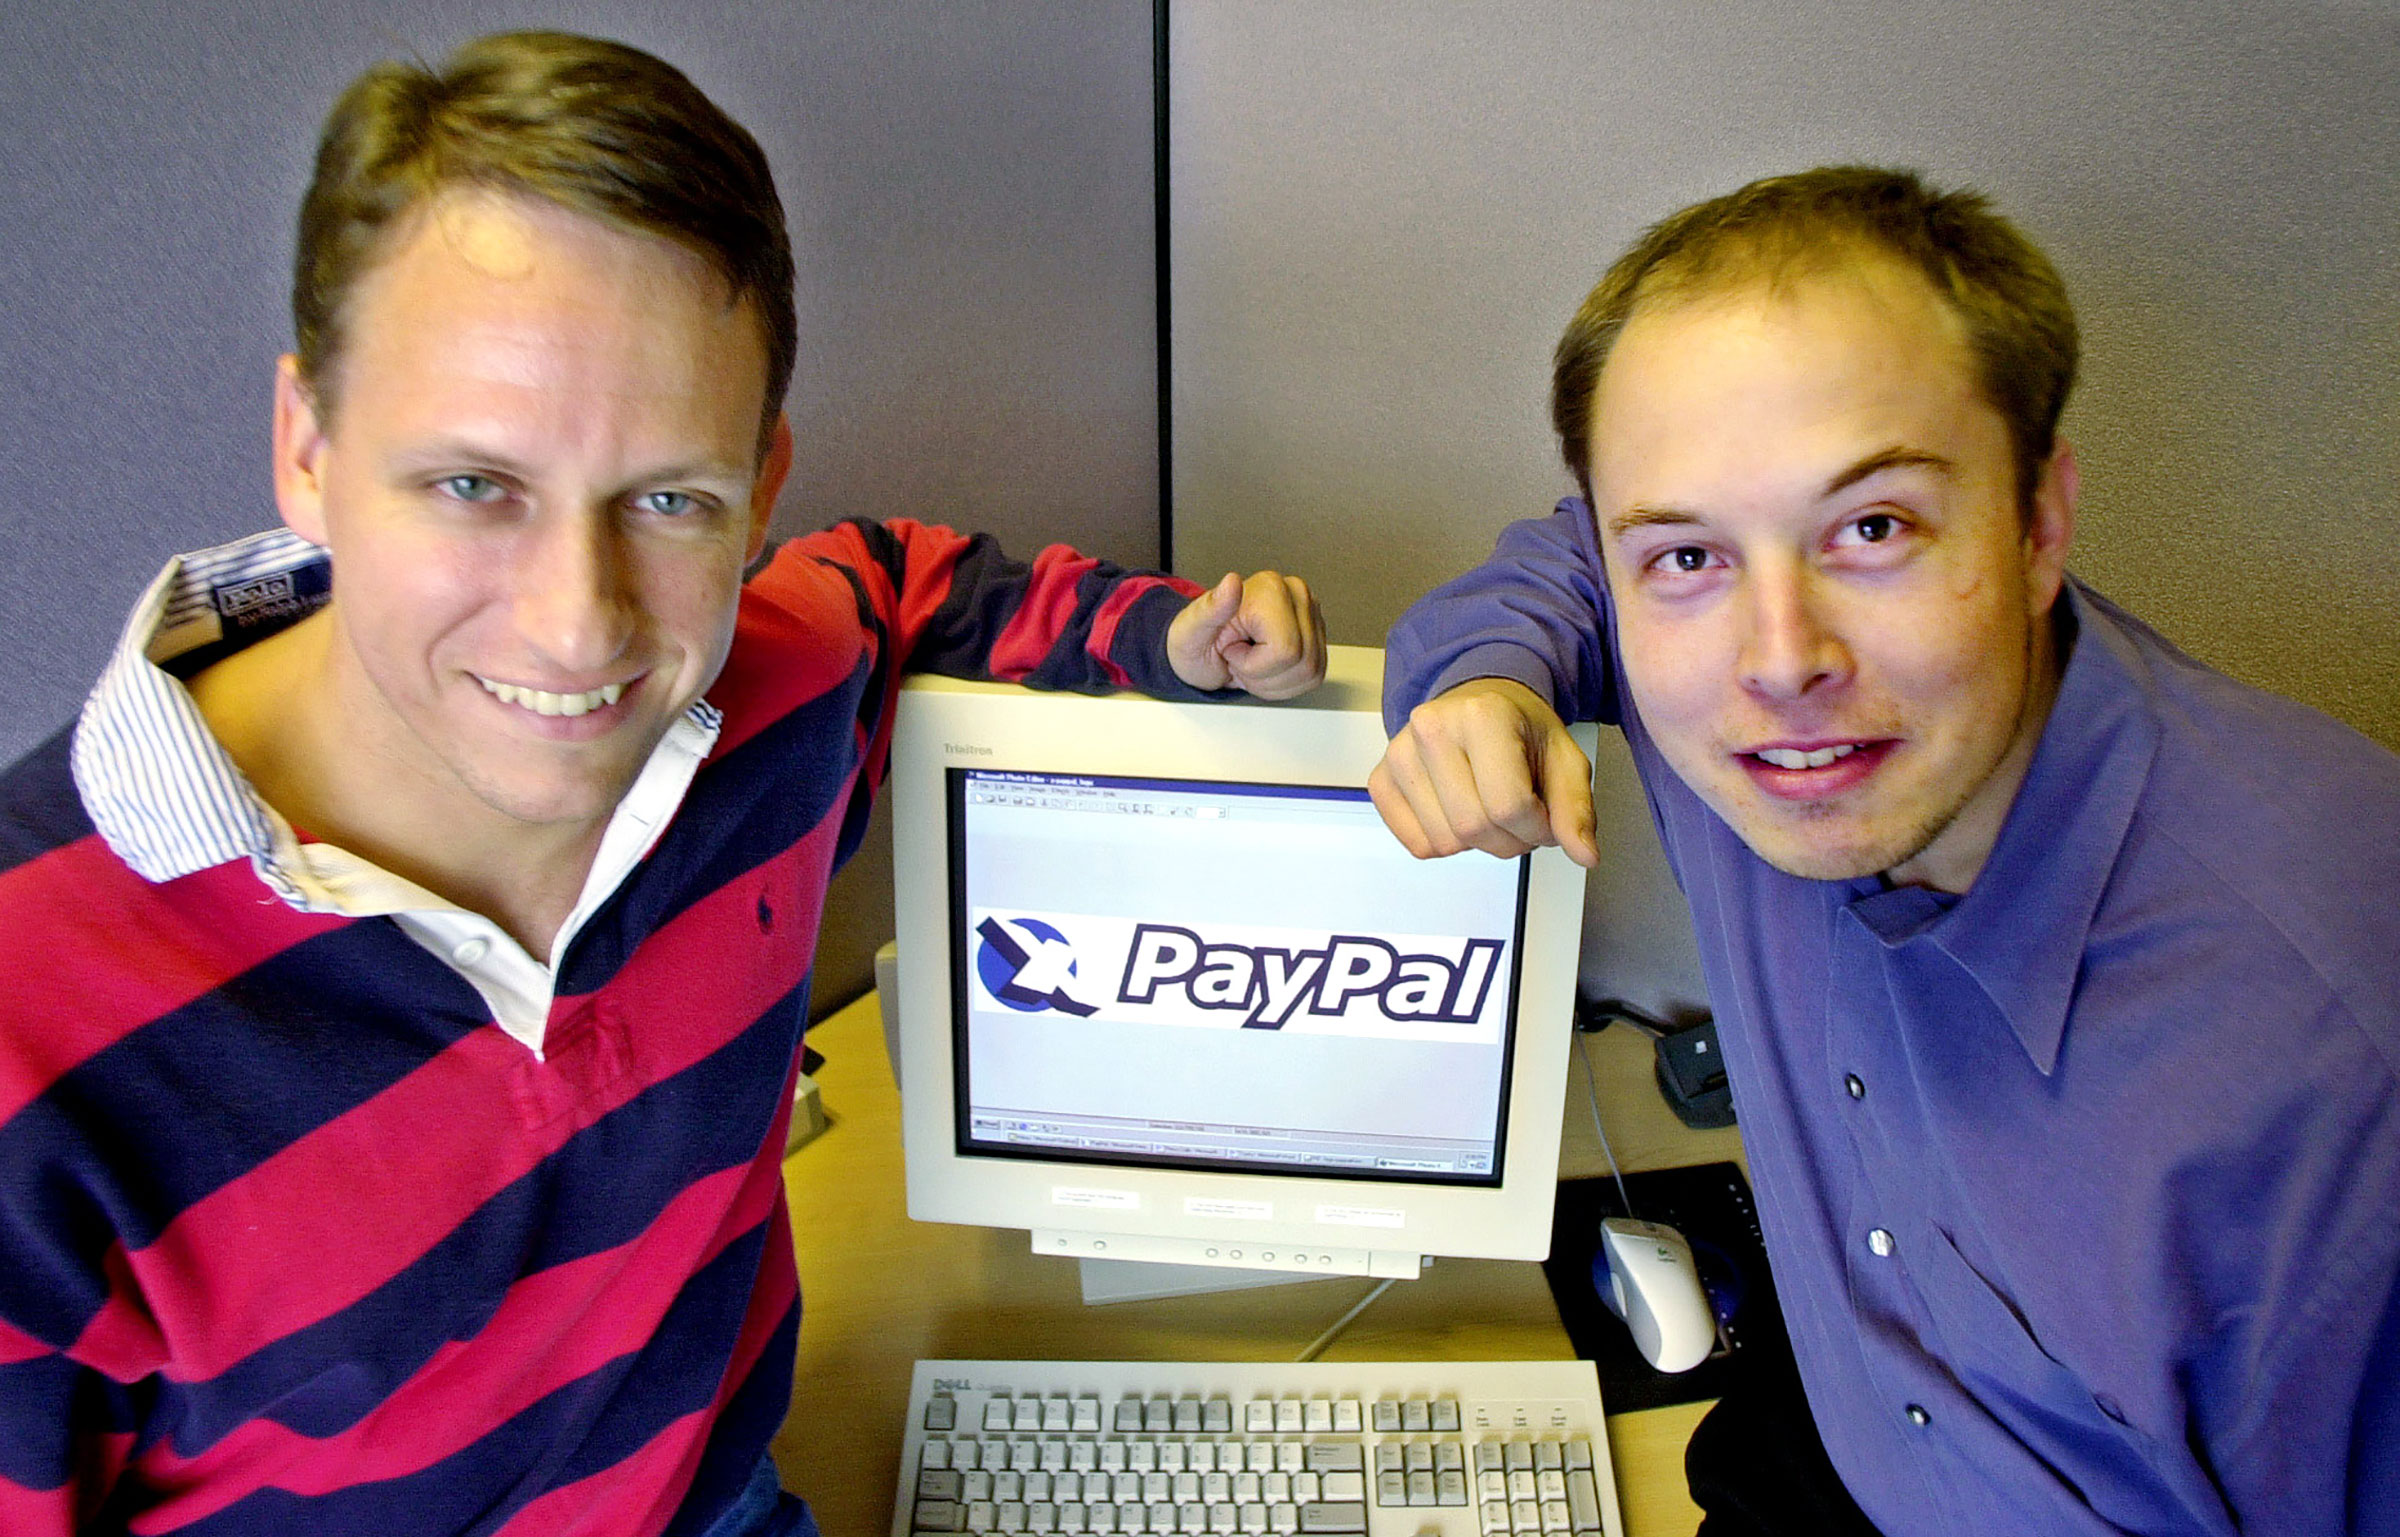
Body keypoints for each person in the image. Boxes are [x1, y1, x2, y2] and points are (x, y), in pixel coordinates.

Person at [0, 31, 1324, 1537]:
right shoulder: (28, 1028)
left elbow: (907, 584)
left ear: (760, 491)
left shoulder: (770, 688)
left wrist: (1165, 637)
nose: (580, 625)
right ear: (306, 446)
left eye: (667, 500)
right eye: (473, 485)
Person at [1371, 166, 2399, 1534]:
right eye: (1687, 556)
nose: (1781, 663)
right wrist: (1485, 682)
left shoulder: (2336, 1076)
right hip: (1845, 1431)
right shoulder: (1768, 721)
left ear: (2040, 526)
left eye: (1871, 528)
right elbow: (1567, 560)